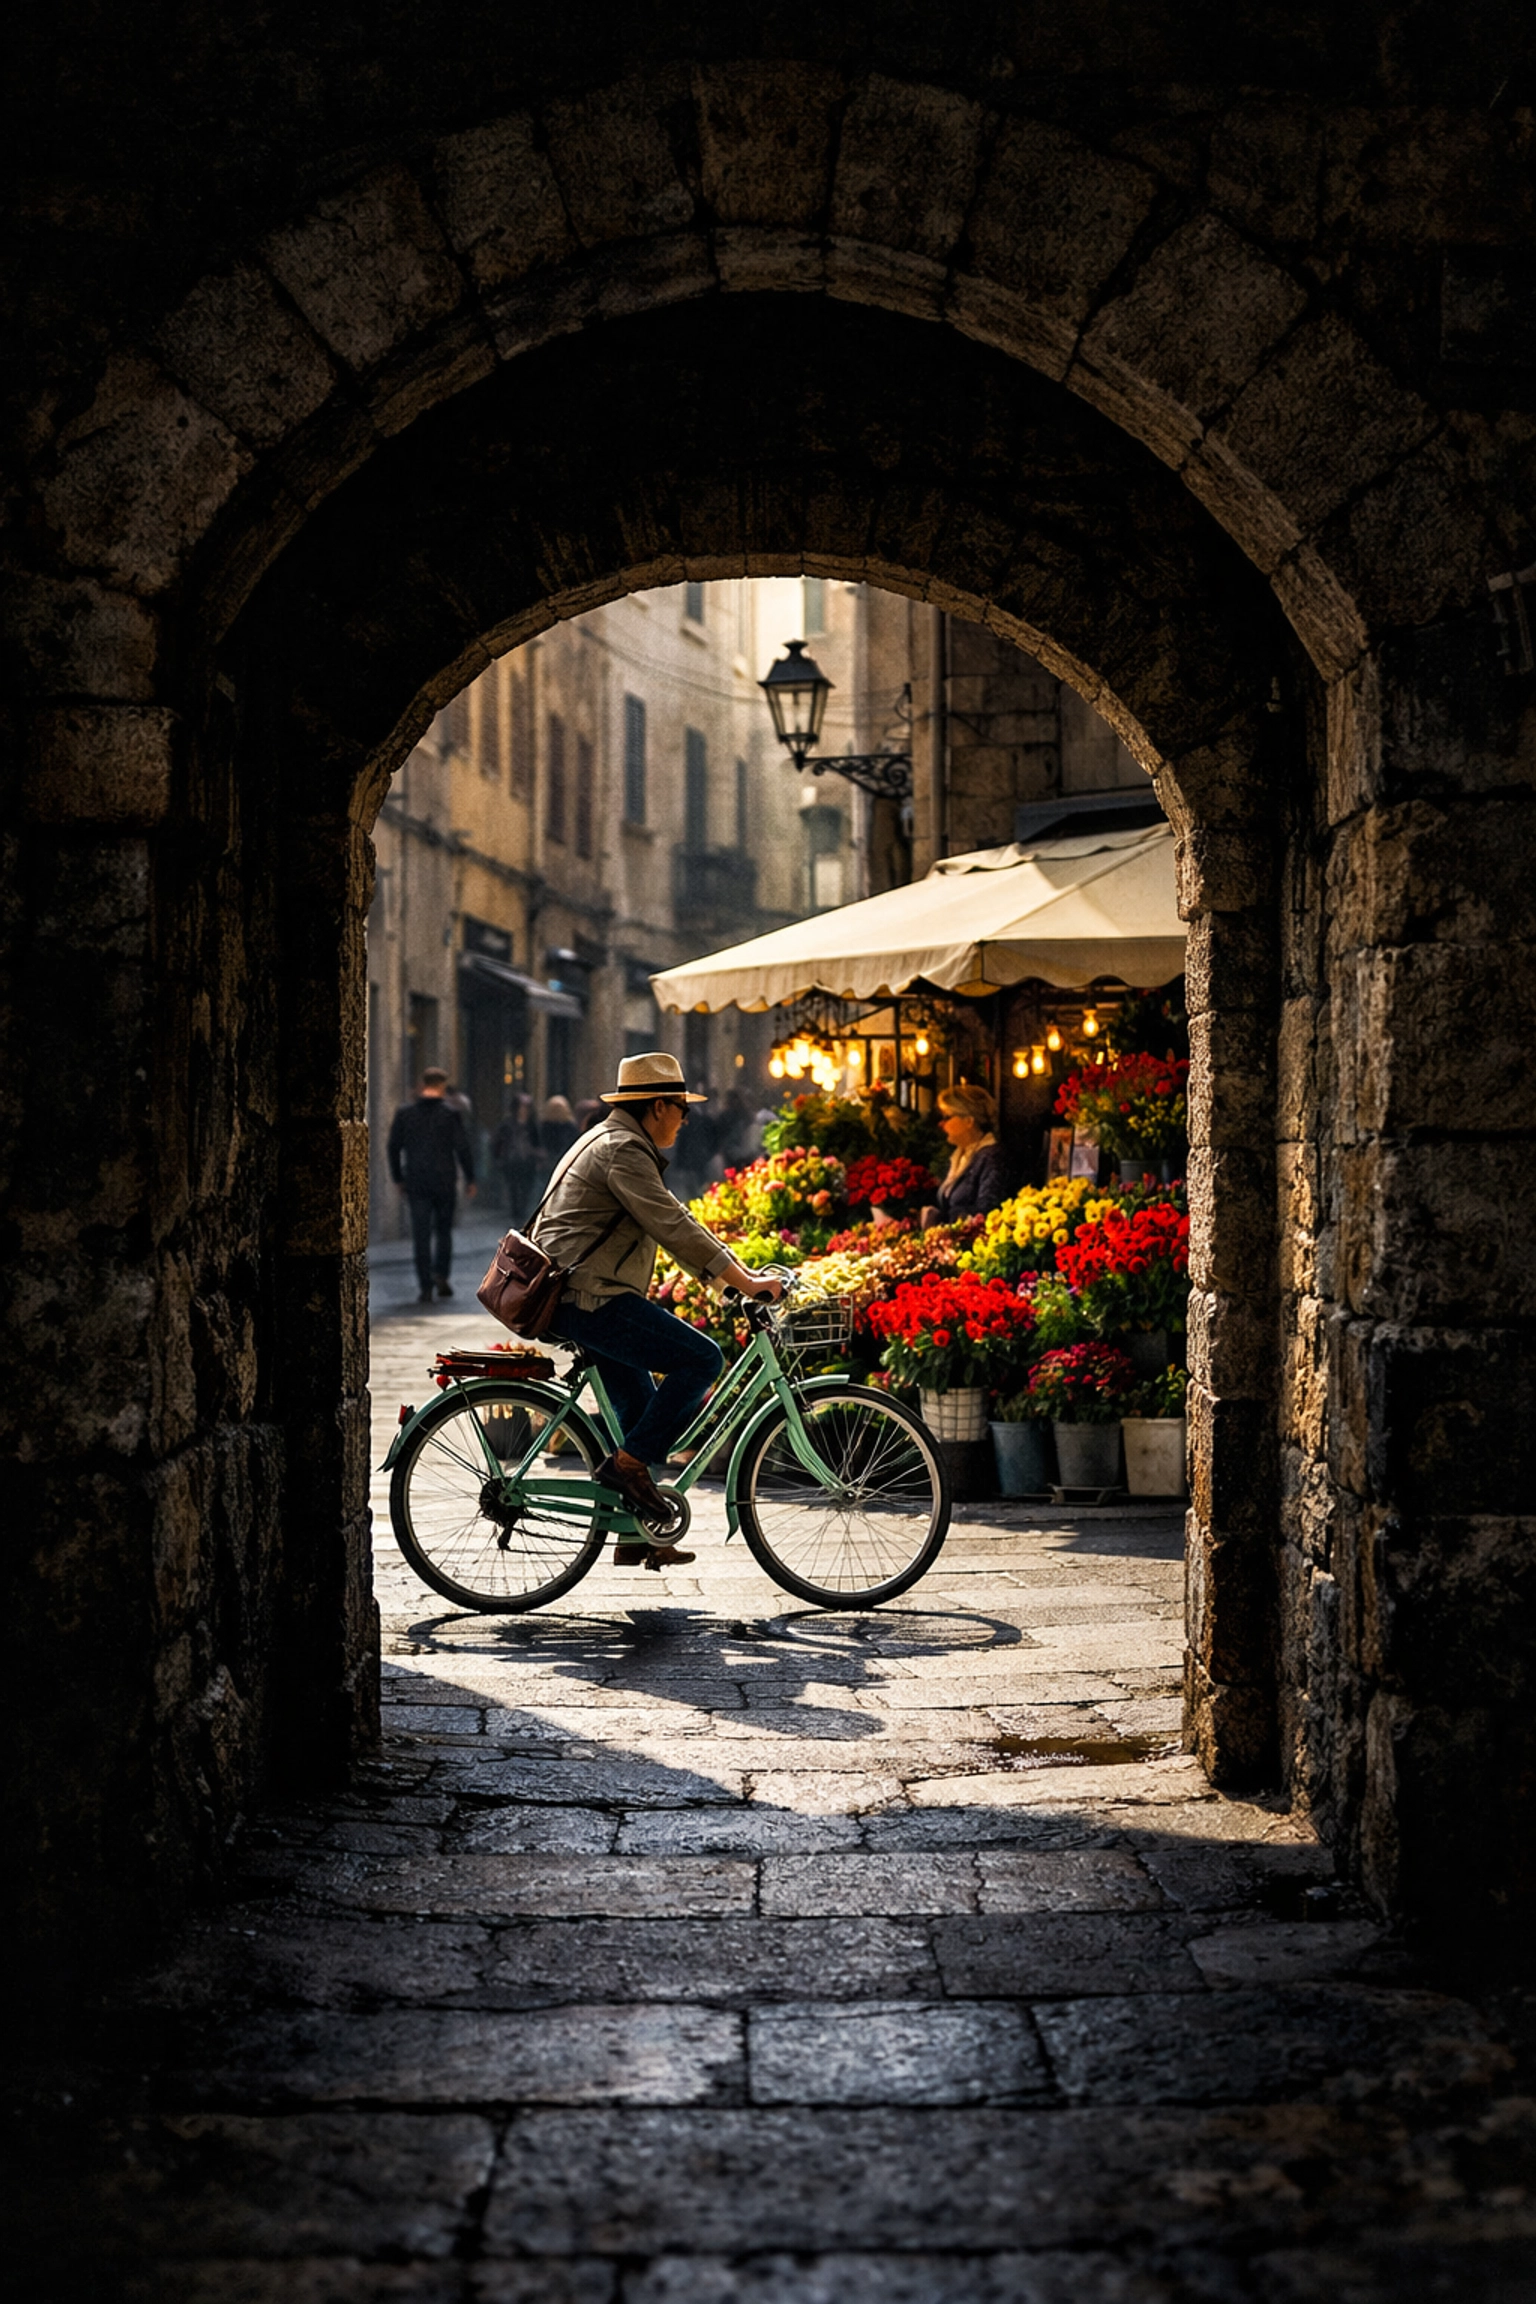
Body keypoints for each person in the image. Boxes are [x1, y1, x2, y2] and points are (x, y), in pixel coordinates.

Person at [532, 1051, 783, 1570]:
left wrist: (727, 1275)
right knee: (702, 1360)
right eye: (682, 1108)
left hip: (583, 1293)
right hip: (588, 1297)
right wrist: (744, 1280)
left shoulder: (612, 1139)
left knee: (641, 1408)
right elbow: (671, 1223)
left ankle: (635, 1529)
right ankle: (624, 1471)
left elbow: (669, 1222)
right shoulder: (623, 1148)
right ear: (659, 1106)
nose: (688, 1119)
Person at [387, 1066, 478, 1302]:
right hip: (444, 1180)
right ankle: (441, 1275)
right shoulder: (450, 1114)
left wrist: (398, 1177)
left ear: (422, 1084)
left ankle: (425, 1284)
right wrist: (470, 1178)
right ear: (442, 1086)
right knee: (444, 1231)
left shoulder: (406, 1113)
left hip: (416, 1181)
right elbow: (462, 1148)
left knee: (421, 1234)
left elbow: (393, 1147)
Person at [921, 1082, 1005, 1227]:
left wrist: (942, 1218)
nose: (941, 1124)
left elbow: (986, 1212)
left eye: (947, 1117)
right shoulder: (959, 1156)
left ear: (968, 1121)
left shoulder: (991, 1157)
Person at [490, 1092, 545, 1225]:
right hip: (512, 1161)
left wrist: (538, 1157)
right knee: (513, 1189)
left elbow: (538, 1143)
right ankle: (517, 1215)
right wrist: (499, 1158)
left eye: (527, 1106)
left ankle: (522, 1214)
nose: (524, 1109)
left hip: (528, 1161)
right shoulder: (507, 1124)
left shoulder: (532, 1125)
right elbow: (497, 1142)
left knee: (526, 1189)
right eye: (522, 1106)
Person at [540, 1093, 579, 1169]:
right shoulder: (545, 1126)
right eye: (555, 1109)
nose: (557, 1112)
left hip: (565, 1161)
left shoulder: (570, 1127)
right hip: (547, 1163)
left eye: (559, 1109)